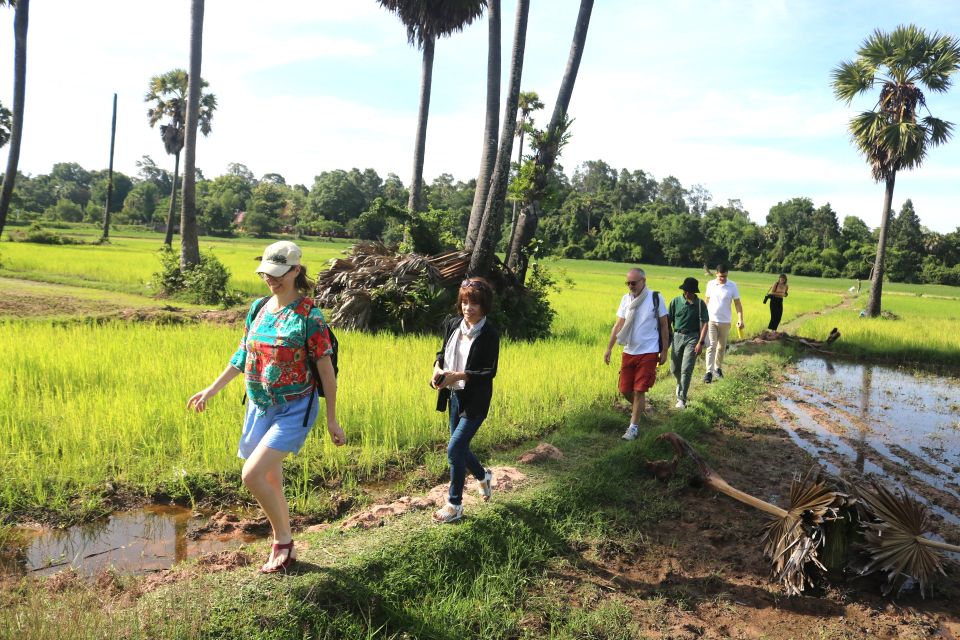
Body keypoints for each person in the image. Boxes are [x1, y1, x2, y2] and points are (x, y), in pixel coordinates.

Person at [187, 240, 345, 573]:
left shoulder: (310, 317)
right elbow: (243, 354)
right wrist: (212, 389)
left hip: (294, 409)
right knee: (271, 479)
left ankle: (283, 541)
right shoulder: (259, 307)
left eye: (277, 274)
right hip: (259, 406)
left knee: (252, 474)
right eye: (266, 274)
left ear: (295, 271)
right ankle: (285, 545)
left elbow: (326, 373)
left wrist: (332, 419)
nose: (270, 280)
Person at [430, 278, 499, 524]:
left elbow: (487, 372)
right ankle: (483, 476)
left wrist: (456, 376)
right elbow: (441, 353)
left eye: (475, 304)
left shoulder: (490, 334)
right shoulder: (453, 325)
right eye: (465, 302)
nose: (468, 308)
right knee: (460, 448)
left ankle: (455, 504)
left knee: (454, 448)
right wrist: (437, 370)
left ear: (484, 306)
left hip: (475, 401)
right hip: (454, 396)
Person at [603, 268, 669, 440]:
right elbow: (618, 325)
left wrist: (664, 350)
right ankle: (639, 410)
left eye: (634, 282)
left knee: (639, 390)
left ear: (643, 281)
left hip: (649, 351)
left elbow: (664, 325)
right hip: (629, 350)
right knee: (624, 389)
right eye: (628, 283)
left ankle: (633, 428)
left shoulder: (655, 298)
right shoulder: (626, 299)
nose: (631, 286)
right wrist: (609, 348)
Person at [668, 277, 709, 409]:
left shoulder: (700, 304)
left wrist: (700, 343)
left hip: (693, 338)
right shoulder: (675, 301)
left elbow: (705, 324)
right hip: (677, 336)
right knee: (674, 368)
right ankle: (680, 384)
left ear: (694, 292)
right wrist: (667, 339)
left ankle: (682, 399)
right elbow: (667, 322)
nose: (687, 294)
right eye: (686, 291)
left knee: (686, 369)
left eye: (690, 291)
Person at [703, 264, 743, 383]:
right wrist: (702, 318)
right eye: (721, 276)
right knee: (711, 346)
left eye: (725, 276)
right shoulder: (710, 284)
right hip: (711, 320)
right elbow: (706, 301)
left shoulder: (732, 286)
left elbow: (737, 304)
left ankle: (717, 368)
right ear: (716, 274)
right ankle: (708, 372)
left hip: (725, 321)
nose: (723, 279)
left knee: (721, 347)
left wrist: (740, 319)